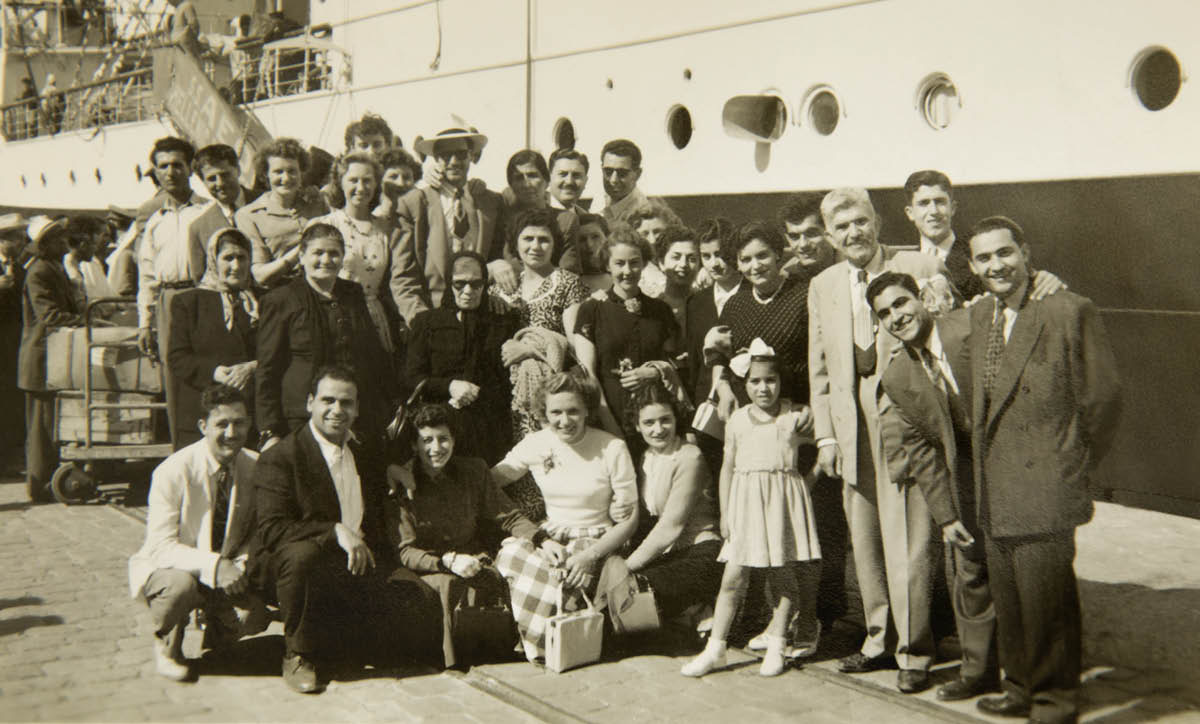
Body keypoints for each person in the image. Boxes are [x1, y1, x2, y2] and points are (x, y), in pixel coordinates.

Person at [964, 217, 1120, 723]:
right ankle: (1020, 687)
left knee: (1047, 604)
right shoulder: (982, 314)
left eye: (1004, 253)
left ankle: (1054, 701)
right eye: (984, 258)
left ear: (1026, 253)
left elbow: (1103, 398)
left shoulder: (1068, 310)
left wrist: (1071, 461)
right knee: (1011, 600)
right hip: (998, 486)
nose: (996, 266)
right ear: (972, 267)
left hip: (1046, 483)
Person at [807, 187, 951, 691]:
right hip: (850, 430)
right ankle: (877, 638)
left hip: (903, 424)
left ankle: (914, 650)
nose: (854, 233)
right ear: (829, 237)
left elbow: (950, 324)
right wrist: (825, 437)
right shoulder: (822, 284)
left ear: (877, 221)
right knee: (864, 540)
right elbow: (819, 369)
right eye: (842, 227)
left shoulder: (917, 263)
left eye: (861, 222)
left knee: (909, 537)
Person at [252, 365, 442, 692]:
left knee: (419, 602)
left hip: (354, 564)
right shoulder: (282, 457)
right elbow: (272, 529)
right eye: (328, 401)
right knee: (302, 555)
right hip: (297, 568)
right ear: (310, 402)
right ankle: (298, 654)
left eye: (346, 403)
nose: (337, 411)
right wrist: (333, 531)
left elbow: (378, 481)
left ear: (357, 408)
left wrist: (393, 469)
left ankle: (338, 640)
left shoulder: (361, 451)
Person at [867, 271, 998, 701]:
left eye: (901, 303)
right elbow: (922, 453)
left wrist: (1046, 281)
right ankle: (979, 672)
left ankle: (1029, 672)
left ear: (921, 298)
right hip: (964, 479)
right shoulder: (899, 375)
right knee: (970, 571)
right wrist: (945, 515)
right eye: (884, 313)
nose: (896, 316)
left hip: (1012, 466)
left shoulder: (971, 325)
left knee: (1019, 575)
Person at [681, 342, 820, 678]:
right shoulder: (738, 420)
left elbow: (826, 445)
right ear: (745, 385)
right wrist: (727, 514)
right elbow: (727, 467)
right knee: (733, 578)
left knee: (782, 578)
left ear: (780, 381)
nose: (763, 388)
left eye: (770, 380)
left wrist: (804, 485)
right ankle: (716, 648)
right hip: (745, 506)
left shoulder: (794, 416)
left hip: (782, 507)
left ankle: (777, 643)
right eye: (755, 381)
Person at [491, 371, 639, 662]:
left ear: (587, 410)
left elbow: (629, 520)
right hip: (552, 537)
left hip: (598, 540)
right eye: (555, 412)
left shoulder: (612, 448)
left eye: (573, 411)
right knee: (511, 554)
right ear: (543, 414)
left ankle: (548, 646)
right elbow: (487, 482)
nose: (565, 420)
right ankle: (548, 643)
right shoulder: (537, 443)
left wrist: (590, 556)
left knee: (563, 576)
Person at [127, 384, 268, 681]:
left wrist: (239, 566)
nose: (232, 433)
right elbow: (161, 546)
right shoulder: (173, 470)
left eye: (240, 423)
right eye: (222, 424)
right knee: (180, 588)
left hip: (228, 569)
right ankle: (167, 646)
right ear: (203, 426)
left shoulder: (255, 466)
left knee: (252, 614)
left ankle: (217, 636)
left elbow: (256, 533)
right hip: (175, 569)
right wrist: (216, 566)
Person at [388, 403, 540, 668]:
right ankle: (453, 663)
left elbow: (509, 516)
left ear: (454, 440)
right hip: (429, 566)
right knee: (447, 587)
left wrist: (541, 540)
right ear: (414, 445)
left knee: (498, 574)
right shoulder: (403, 483)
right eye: (427, 440)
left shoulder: (474, 471)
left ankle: (508, 648)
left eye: (443, 439)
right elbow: (406, 551)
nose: (436, 448)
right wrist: (446, 561)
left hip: (470, 557)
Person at [255, 223, 396, 449]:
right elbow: (268, 369)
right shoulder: (281, 299)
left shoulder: (353, 293)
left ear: (342, 259)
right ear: (301, 257)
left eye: (334, 253)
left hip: (353, 414)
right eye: (318, 253)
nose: (326, 260)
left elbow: (371, 353)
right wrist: (269, 430)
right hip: (302, 416)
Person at [405, 251, 520, 464]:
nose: (468, 291)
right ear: (449, 283)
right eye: (459, 284)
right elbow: (411, 378)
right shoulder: (426, 323)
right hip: (440, 428)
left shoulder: (502, 322)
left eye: (476, 284)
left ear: (485, 285)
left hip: (488, 430)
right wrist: (448, 386)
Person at [390, 126, 508, 326]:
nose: (454, 162)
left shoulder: (490, 202)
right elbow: (403, 277)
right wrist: (423, 322)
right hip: (433, 316)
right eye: (445, 155)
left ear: (471, 156)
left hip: (481, 318)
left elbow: (503, 253)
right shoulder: (414, 203)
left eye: (460, 154)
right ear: (435, 159)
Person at [625, 382, 723, 621]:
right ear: (637, 426)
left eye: (665, 420)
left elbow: (670, 528)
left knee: (632, 593)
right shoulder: (646, 457)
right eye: (649, 423)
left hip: (701, 553)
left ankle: (700, 608)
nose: (658, 429)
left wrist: (624, 568)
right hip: (669, 555)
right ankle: (694, 613)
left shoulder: (690, 457)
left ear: (676, 419)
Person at [573, 225, 680, 442]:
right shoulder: (591, 310)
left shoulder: (660, 310)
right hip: (608, 417)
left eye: (634, 262)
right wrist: (611, 427)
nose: (627, 271)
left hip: (655, 422)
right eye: (619, 263)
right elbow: (588, 375)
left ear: (644, 264)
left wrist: (656, 372)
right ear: (607, 265)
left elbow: (677, 362)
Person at [168, 228, 258, 450]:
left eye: (242, 258)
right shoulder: (189, 303)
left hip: (249, 415)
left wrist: (253, 367)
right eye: (228, 258)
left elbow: (278, 351)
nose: (236, 266)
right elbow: (178, 358)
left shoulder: (263, 303)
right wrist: (214, 372)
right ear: (213, 260)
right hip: (202, 414)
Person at [18, 217, 81, 502]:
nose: (64, 243)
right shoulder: (39, 272)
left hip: (51, 357)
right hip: (41, 359)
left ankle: (46, 479)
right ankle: (39, 485)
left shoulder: (53, 268)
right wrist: (85, 320)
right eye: (57, 239)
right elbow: (50, 316)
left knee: (49, 424)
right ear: (45, 245)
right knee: (42, 427)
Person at [313, 152, 400, 355]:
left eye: (367, 181)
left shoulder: (385, 229)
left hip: (374, 320)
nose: (361, 188)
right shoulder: (325, 225)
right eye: (353, 180)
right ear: (340, 183)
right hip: (335, 317)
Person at [238, 138, 330, 289]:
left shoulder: (317, 202)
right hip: (284, 295)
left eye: (292, 171)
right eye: (278, 172)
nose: (286, 178)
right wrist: (301, 251)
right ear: (265, 175)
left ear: (302, 173)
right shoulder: (249, 215)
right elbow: (261, 276)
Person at [904, 170, 982, 299]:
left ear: (953, 208)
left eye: (940, 202)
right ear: (910, 213)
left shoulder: (974, 255)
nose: (934, 211)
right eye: (924, 203)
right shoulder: (904, 263)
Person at [0, 214, 29, 468]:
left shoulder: (20, 268)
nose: (21, 242)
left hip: (14, 343)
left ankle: (10, 455)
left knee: (11, 399)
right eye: (16, 237)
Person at [190, 144, 254, 251]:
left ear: (238, 170)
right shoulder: (199, 229)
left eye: (225, 175)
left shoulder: (269, 201)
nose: (220, 183)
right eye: (212, 178)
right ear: (203, 182)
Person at [777, 192, 836, 282]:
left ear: (830, 231)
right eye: (794, 237)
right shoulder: (787, 275)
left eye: (811, 234)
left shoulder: (853, 267)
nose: (803, 244)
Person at [652, 224, 701, 331]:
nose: (683, 264)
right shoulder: (652, 308)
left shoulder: (706, 303)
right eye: (676, 257)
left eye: (692, 259)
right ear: (661, 263)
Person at [62, 216, 116, 306]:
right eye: (94, 244)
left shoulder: (74, 265)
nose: (95, 248)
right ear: (83, 245)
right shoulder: (71, 271)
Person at [597, 139, 649, 225]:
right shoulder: (601, 196)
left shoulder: (643, 216)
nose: (613, 180)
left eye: (622, 173)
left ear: (637, 174)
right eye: (608, 172)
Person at [374, 147, 422, 224]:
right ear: (380, 181)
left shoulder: (423, 213)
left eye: (406, 177)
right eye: (393, 177)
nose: (400, 183)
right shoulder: (376, 217)